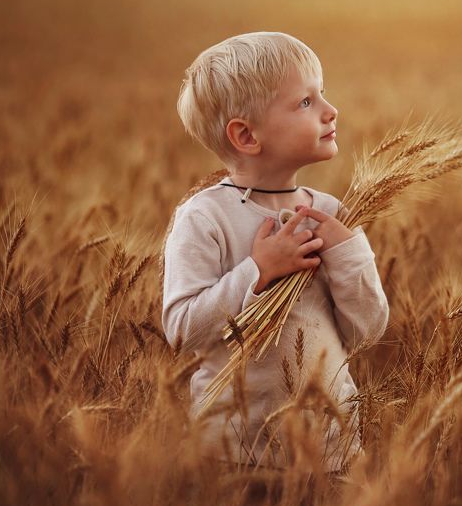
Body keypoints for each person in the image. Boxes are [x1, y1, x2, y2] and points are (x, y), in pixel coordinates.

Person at [161, 31, 389, 472]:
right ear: (246, 135)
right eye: (306, 102)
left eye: (322, 94)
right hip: (234, 453)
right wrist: (258, 272)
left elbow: (367, 330)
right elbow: (181, 329)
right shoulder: (205, 218)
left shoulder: (331, 213)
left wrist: (348, 255)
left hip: (331, 448)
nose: (330, 110)